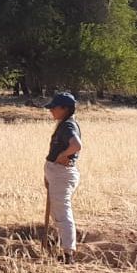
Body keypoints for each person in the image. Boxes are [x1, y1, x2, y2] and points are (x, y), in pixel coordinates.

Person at [43, 92, 83, 261]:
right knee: (58, 211)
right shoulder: (65, 124)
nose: (51, 110)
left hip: (61, 173)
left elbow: (76, 145)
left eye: (54, 107)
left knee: (62, 213)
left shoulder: (68, 126)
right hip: (57, 174)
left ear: (65, 109)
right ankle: (62, 244)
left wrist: (62, 156)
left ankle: (68, 253)